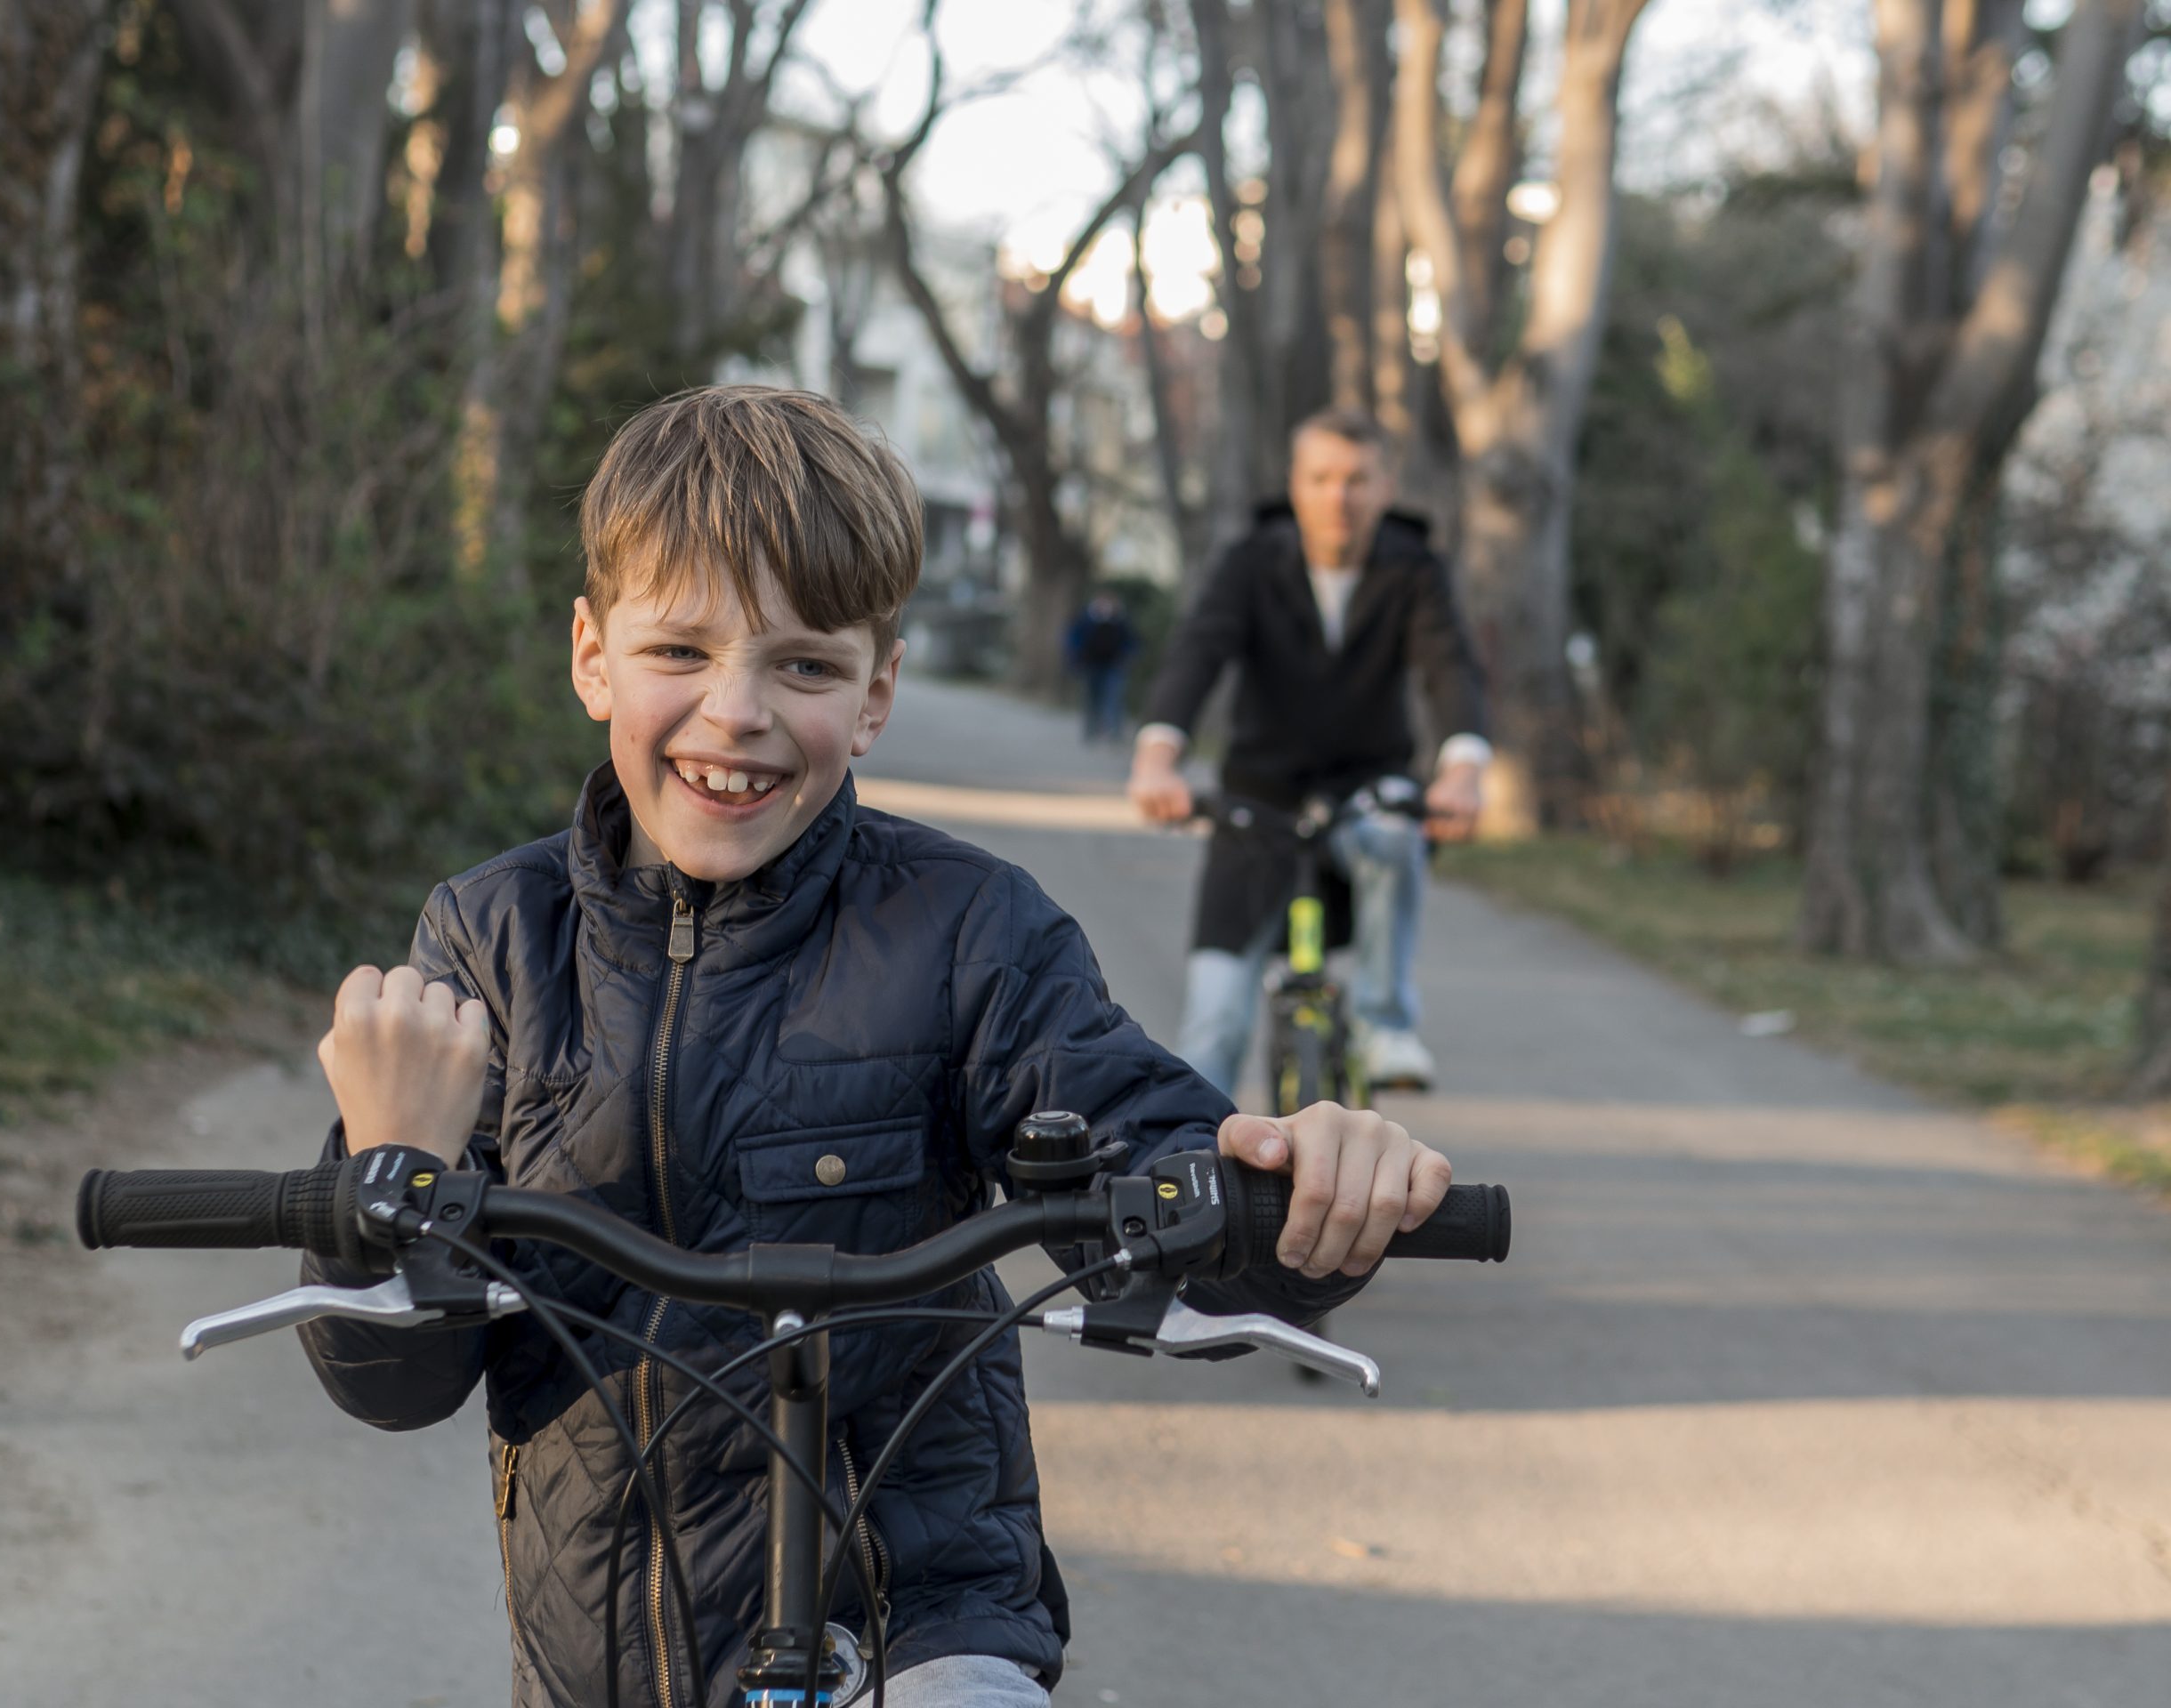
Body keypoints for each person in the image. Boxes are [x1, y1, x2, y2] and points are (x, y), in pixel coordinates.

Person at [300, 387, 1454, 1708]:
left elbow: (1158, 1158)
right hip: (603, 1660)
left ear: (876, 692)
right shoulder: (495, 941)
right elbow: (390, 1383)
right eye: (680, 650)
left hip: (924, 1622)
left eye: (803, 665)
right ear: (591, 657)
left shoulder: (971, 931)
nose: (735, 713)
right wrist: (385, 1172)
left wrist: (1298, 1181)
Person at [1128, 407, 1491, 1096]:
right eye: (1321, 478)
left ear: (1387, 486)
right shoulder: (1251, 562)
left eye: (1358, 479)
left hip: (1366, 795)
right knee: (1213, 1029)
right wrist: (1158, 757)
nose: (1339, 497)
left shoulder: (1414, 568)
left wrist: (1464, 770)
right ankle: (1197, 1177)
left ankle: (1387, 1026)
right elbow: (1199, 653)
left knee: (1393, 832)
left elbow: (1452, 669)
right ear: (1295, 485)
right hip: (1256, 808)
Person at [1062, 590, 1139, 742]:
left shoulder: (1121, 621)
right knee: (1091, 698)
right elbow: (1073, 638)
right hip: (1091, 664)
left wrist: (1127, 657)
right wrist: (1076, 658)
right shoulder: (1086, 619)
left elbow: (1132, 641)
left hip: (1114, 666)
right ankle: (1090, 731)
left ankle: (1114, 733)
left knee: (1114, 699)